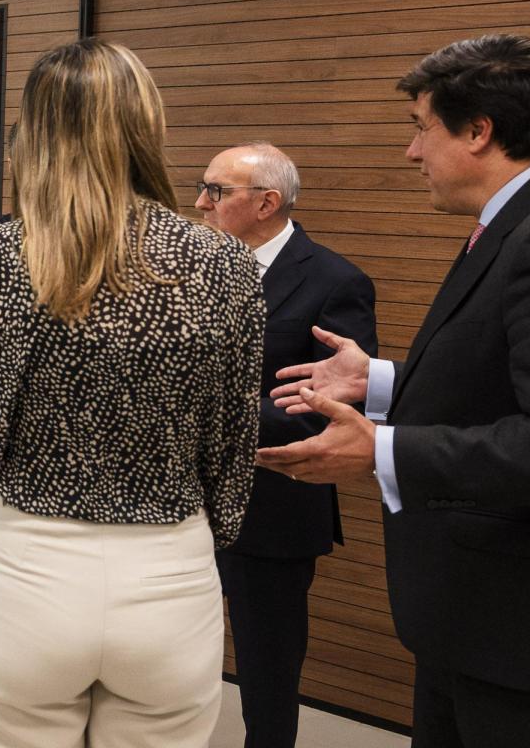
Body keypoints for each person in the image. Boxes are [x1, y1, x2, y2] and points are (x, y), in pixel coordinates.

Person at [260, 34, 530, 748]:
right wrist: (378, 380)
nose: (411, 154)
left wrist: (383, 452)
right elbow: (510, 382)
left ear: (478, 131)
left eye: (420, 129)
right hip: (497, 625)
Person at [0, 38, 262, 748]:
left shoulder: (3, 254)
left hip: (27, 565)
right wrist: (200, 532)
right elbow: (235, 445)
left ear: (37, 132)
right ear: (147, 124)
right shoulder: (227, 264)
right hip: (171, 570)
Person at [195, 142, 377, 748]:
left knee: (267, 667)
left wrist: (203, 416)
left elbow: (330, 409)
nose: (200, 204)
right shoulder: (191, 269)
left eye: (216, 192)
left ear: (266, 202)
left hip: (270, 504)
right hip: (180, 499)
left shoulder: (335, 281)